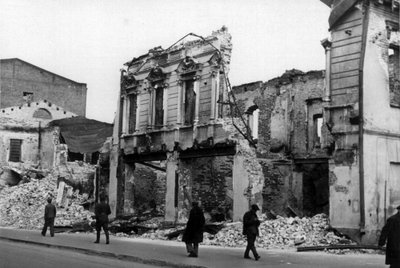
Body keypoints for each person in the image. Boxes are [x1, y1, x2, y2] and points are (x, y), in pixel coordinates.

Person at [379, 203, 400, 268]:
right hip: (395, 247)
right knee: (395, 265)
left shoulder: (393, 219)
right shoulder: (392, 219)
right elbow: (385, 231)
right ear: (399, 210)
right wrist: (381, 242)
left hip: (396, 247)